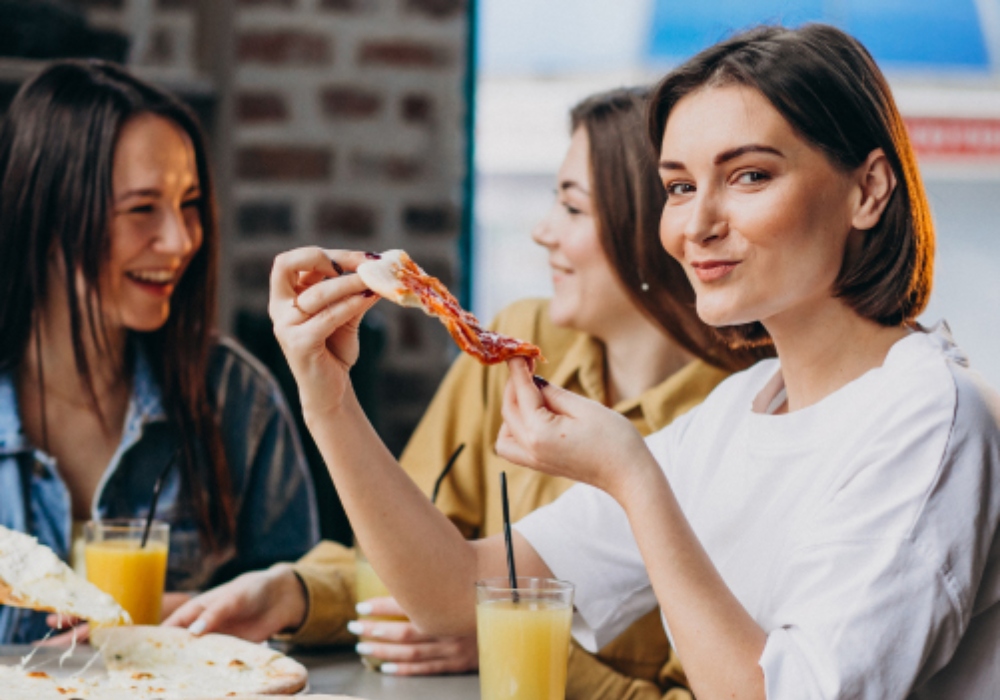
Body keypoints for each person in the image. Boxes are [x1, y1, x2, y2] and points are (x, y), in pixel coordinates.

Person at [265, 24, 1000, 700]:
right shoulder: (739, 409)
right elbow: (454, 592)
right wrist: (328, 398)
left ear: (868, 190)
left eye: (749, 176)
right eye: (679, 186)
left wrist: (631, 478)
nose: (697, 224)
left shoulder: (928, 414)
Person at [167, 88, 761, 697]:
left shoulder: (732, 429)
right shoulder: (517, 344)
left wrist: (504, 637)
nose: (542, 232)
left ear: (646, 229)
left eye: (574, 209)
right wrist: (294, 591)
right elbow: (432, 563)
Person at [0, 60, 320, 645]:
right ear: (46, 218)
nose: (180, 240)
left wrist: (197, 617)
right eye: (142, 208)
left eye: (190, 202)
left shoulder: (235, 398)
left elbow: (304, 621)